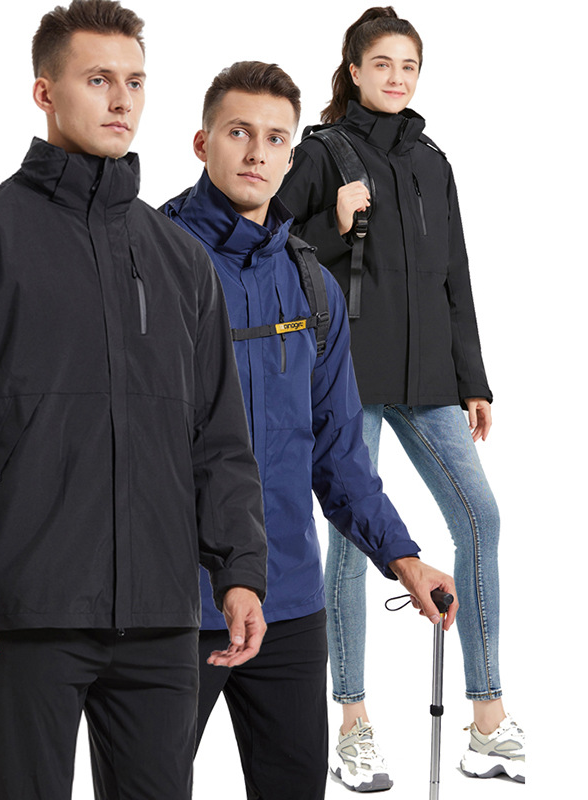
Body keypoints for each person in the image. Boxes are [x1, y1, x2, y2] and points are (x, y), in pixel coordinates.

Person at [0, 3, 269, 798]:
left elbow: (218, 438)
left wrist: (240, 571)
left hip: (161, 619)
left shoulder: (179, 261)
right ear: (45, 92)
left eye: (135, 82)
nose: (122, 100)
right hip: (25, 609)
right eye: (98, 80)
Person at [162, 61, 458, 800]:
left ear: (292, 156)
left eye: (275, 139)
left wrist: (403, 558)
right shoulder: (153, 266)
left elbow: (338, 452)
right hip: (174, 605)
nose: (256, 153)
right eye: (238, 132)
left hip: (289, 600)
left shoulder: (310, 284)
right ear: (201, 142)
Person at [277, 6, 525, 788]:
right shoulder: (322, 153)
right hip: (346, 375)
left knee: (480, 517)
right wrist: (330, 221)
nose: (396, 77)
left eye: (408, 66)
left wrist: (472, 378)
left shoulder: (432, 161)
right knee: (353, 540)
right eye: (381, 63)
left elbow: (456, 274)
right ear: (353, 69)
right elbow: (269, 243)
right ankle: (352, 724)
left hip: (429, 381)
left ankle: (488, 721)